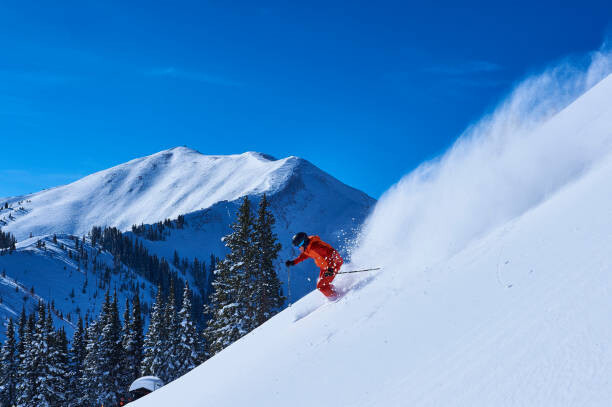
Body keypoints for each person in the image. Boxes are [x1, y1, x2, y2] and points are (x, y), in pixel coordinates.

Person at [285, 232, 343, 299]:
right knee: (322, 285)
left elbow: (331, 253)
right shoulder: (307, 248)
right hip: (325, 266)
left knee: (321, 286)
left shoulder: (315, 247)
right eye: (297, 247)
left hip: (333, 264)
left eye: (299, 245)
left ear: (304, 242)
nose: (299, 248)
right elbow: (304, 255)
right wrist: (293, 262)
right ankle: (336, 292)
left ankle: (337, 298)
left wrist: (331, 268)